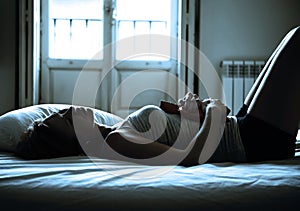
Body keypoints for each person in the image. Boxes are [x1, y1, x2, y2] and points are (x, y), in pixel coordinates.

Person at [15, 26, 300, 166]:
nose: (67, 111)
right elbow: (188, 160)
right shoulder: (115, 142)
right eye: (62, 120)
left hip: (240, 126)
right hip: (254, 141)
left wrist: (193, 116)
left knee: (292, 39)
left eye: (61, 112)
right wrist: (209, 115)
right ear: (69, 139)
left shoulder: (116, 129)